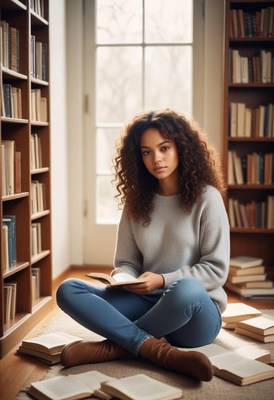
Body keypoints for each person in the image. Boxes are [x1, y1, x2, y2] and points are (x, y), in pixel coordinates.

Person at [56, 109, 230, 382]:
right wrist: (125, 278)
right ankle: (157, 351)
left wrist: (162, 280)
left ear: (182, 148)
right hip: (147, 303)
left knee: (186, 289)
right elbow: (125, 262)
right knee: (68, 289)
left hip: (195, 313)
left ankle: (113, 348)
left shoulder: (208, 198)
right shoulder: (136, 202)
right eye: (146, 152)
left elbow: (216, 270)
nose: (156, 158)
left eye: (164, 148)